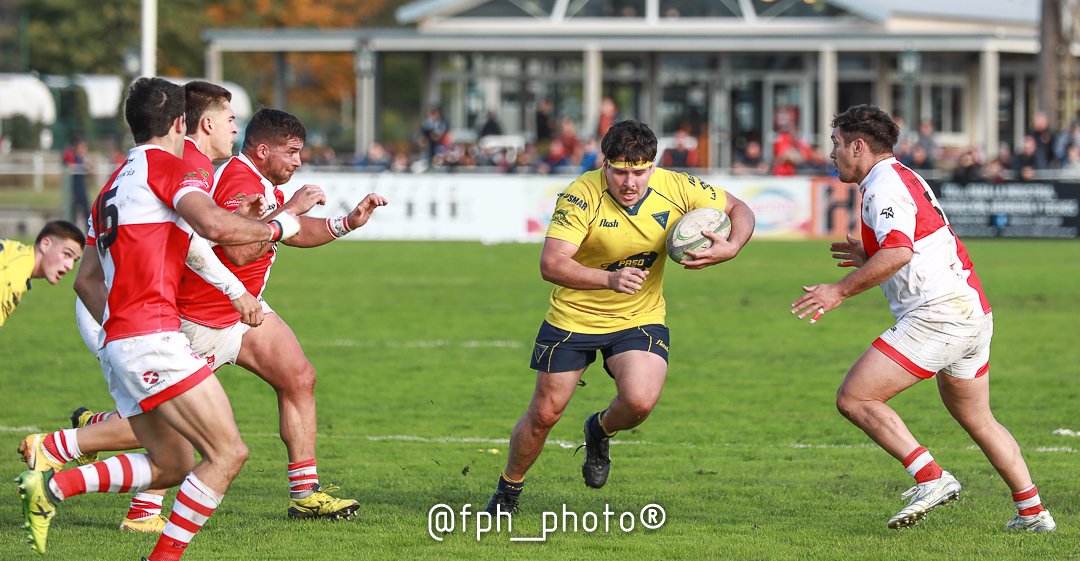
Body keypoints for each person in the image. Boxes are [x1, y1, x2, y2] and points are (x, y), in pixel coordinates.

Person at [26, 108, 388, 527]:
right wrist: (289, 208)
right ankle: (118, 486)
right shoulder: (235, 178)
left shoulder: (256, 180)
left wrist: (345, 223)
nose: (298, 161)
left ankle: (305, 492)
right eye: (291, 152)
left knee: (298, 376)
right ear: (264, 150)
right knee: (174, 427)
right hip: (199, 316)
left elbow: (290, 231)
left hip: (240, 311)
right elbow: (237, 251)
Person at [14, 77, 308, 558]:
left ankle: (50, 490)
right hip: (152, 338)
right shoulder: (167, 170)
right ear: (179, 123)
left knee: (174, 462)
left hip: (122, 341)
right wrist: (281, 222)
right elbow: (211, 226)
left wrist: (119, 332)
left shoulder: (109, 185)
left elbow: (86, 281)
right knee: (228, 453)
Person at [791, 104, 1055, 533]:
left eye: (836, 144)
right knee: (979, 418)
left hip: (939, 315)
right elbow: (913, 243)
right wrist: (869, 255)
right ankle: (1033, 513)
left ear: (859, 146)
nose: (831, 153)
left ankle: (931, 477)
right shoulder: (903, 175)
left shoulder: (882, 187)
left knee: (855, 398)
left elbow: (900, 252)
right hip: (972, 310)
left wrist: (838, 291)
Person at [484, 120, 755, 513]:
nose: (631, 181)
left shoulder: (677, 187)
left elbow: (738, 208)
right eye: (620, 171)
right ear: (604, 164)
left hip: (638, 316)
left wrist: (731, 247)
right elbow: (551, 264)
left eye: (640, 171)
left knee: (640, 401)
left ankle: (599, 429)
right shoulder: (581, 195)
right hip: (574, 316)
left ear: (653, 166)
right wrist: (609, 279)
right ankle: (509, 489)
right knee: (544, 415)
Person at [1, 221, 85, 329]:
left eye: (74, 260)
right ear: (45, 244)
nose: (70, 266)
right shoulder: (13, 278)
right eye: (67, 254)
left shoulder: (15, 253)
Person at [63, 139, 94, 228]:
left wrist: (87, 163)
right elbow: (70, 168)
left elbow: (91, 172)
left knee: (87, 214)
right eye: (82, 147)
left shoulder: (82, 159)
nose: (83, 150)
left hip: (82, 191)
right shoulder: (72, 157)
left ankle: (89, 235)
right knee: (73, 215)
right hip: (74, 191)